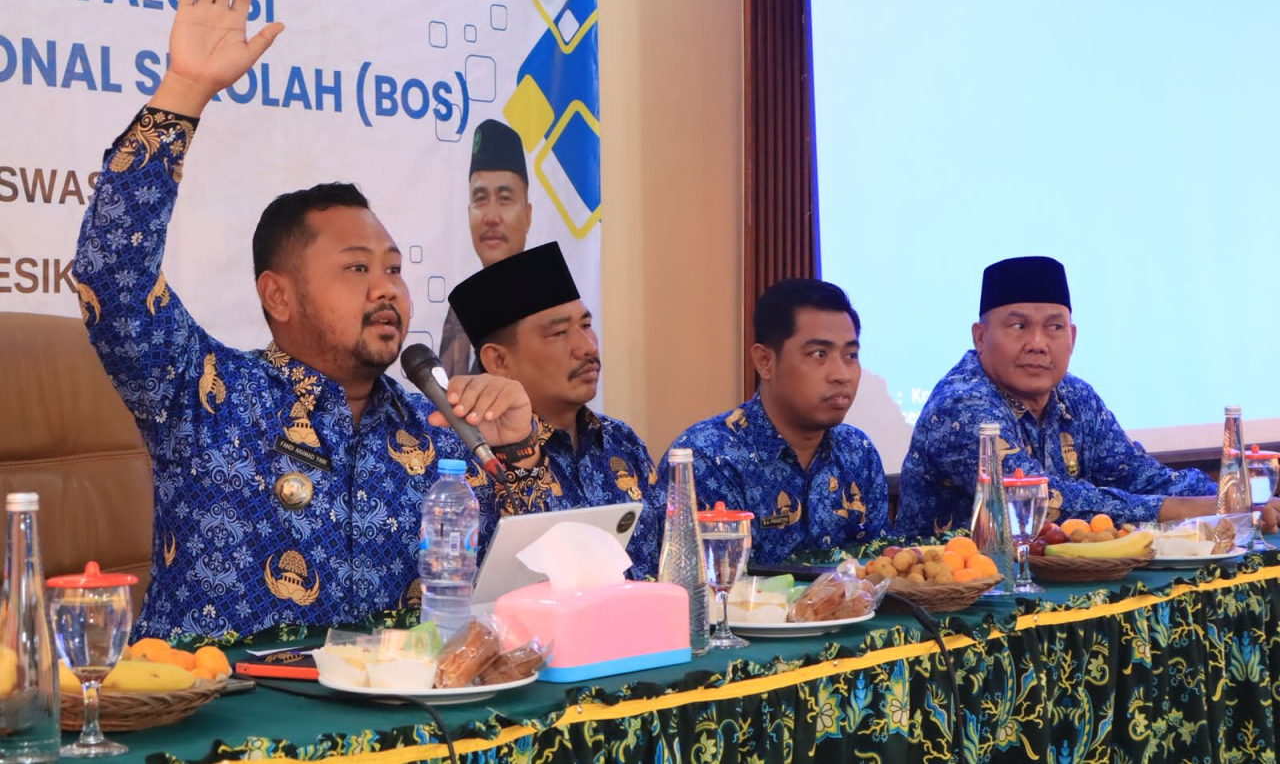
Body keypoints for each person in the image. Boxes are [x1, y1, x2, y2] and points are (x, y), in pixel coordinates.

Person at [72, 0, 545, 640]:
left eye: (393, 268)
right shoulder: (204, 395)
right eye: (357, 269)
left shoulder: (430, 437)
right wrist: (183, 90)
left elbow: (516, 594)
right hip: (218, 731)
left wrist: (521, 454)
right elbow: (110, 272)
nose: (387, 287)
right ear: (279, 295)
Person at [895, 255, 1280, 537]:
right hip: (955, 601)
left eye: (1054, 328)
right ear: (980, 337)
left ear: (1073, 338)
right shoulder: (961, 404)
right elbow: (1042, 500)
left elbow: (1140, 474)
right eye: (1018, 326)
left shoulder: (1076, 396)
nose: (1038, 344)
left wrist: (1237, 501)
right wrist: (1190, 508)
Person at [448, 242, 665, 578]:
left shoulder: (622, 442)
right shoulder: (462, 459)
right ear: (498, 360)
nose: (587, 347)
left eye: (587, 326)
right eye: (560, 333)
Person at [660, 279, 890, 565]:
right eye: (819, 354)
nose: (841, 374)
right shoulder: (708, 457)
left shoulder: (858, 452)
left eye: (851, 355)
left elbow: (879, 571)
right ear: (765, 361)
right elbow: (704, 594)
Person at [437, 119, 532, 376]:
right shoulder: (463, 307)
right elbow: (443, 403)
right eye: (480, 199)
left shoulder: (551, 305)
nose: (490, 217)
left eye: (504, 199)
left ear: (528, 216)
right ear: (469, 214)